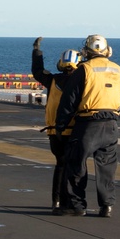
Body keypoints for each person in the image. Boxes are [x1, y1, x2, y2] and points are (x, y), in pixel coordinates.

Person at [54, 34, 120, 218]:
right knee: (107, 166)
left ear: (87, 51)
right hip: (111, 124)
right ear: (107, 50)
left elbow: (69, 100)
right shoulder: (118, 70)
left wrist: (61, 125)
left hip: (88, 123)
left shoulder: (84, 69)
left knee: (76, 163)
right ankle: (107, 205)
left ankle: (77, 205)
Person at [31, 37, 81, 213]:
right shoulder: (82, 82)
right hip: (75, 130)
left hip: (54, 132)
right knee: (75, 167)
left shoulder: (52, 80)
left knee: (60, 165)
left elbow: (37, 71)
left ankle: (56, 201)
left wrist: (37, 50)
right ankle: (73, 201)